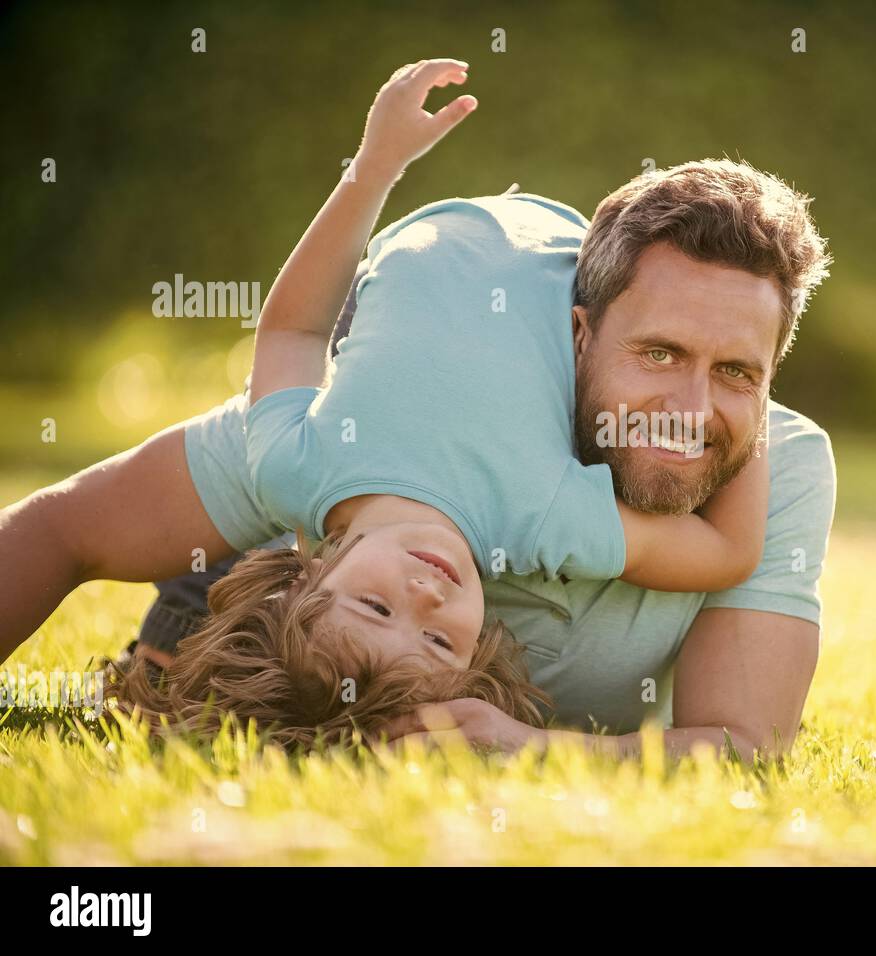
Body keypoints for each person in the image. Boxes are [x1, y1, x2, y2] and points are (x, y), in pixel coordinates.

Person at [0, 58, 769, 747]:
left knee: (143, 512)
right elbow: (726, 553)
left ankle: (168, 651)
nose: (427, 598)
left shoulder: (295, 471)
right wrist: (746, 365)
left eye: (373, 607)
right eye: (439, 644)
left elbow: (294, 331)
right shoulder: (541, 519)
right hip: (576, 268)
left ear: (307, 571)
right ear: (476, 654)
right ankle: (178, 651)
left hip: (365, 313)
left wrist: (372, 170)